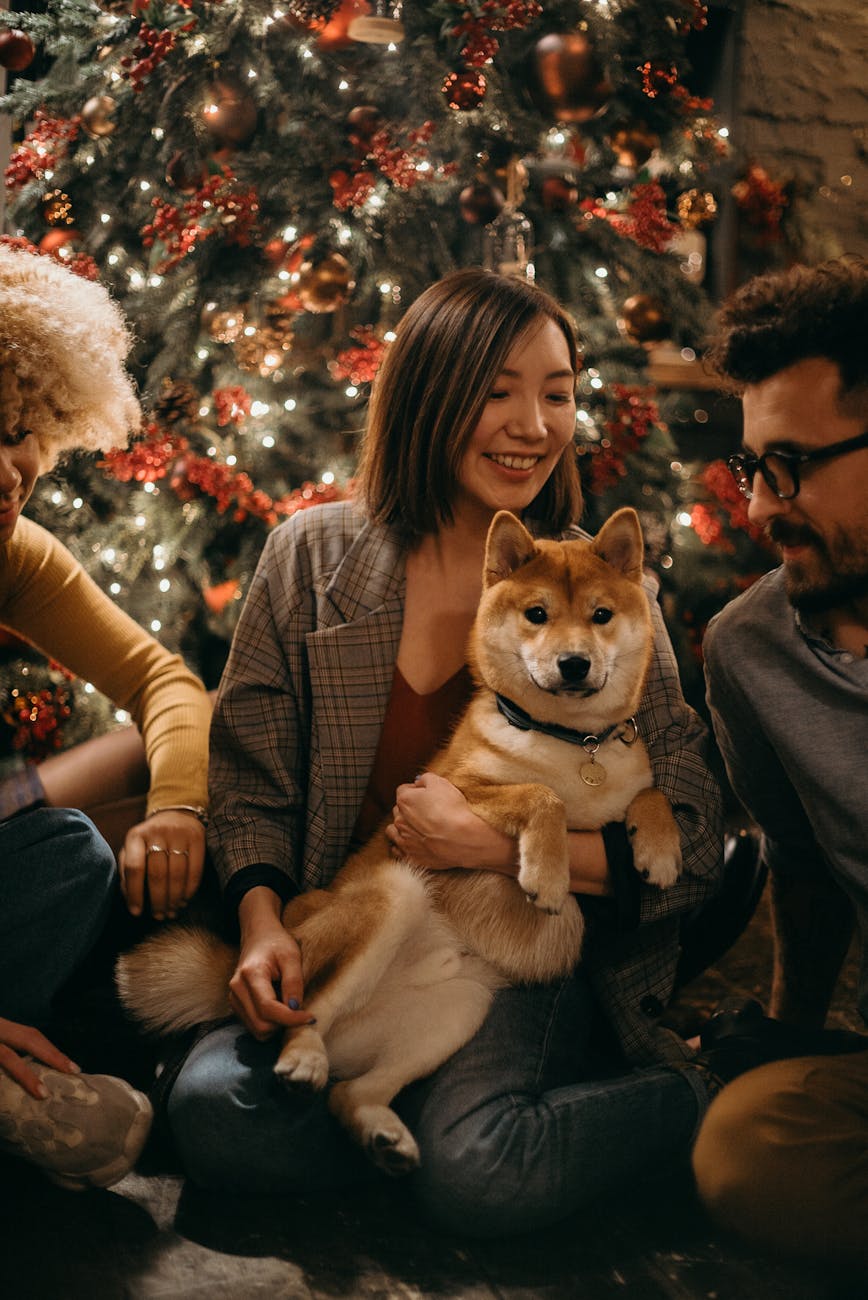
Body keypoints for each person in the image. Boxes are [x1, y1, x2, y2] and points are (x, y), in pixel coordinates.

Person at [167, 267, 725, 1235]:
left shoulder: (600, 597)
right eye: (497, 390)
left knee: (478, 1173)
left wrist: (492, 846)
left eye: (557, 394)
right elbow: (248, 790)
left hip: (524, 960)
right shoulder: (308, 560)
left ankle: (704, 1094)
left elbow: (699, 838)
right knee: (214, 1117)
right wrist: (261, 924)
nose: (534, 424)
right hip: (363, 942)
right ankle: (442, 1117)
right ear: (428, 393)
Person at [0, 245, 212, 1189]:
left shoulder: (19, 557)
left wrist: (176, 810)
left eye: (28, 434)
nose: (16, 468)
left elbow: (165, 684)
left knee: (70, 855)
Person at [692, 257, 868, 1269]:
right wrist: (792, 1030)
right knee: (747, 1152)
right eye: (753, 469)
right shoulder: (749, 651)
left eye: (789, 465)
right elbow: (802, 869)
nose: (761, 509)